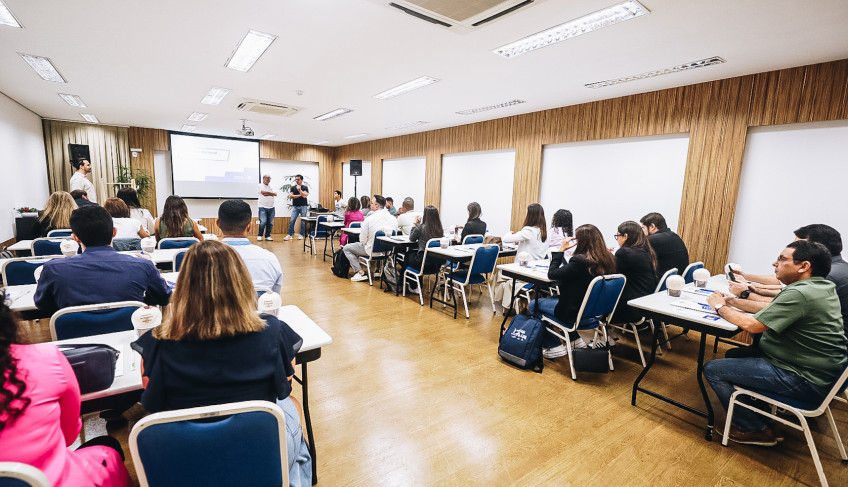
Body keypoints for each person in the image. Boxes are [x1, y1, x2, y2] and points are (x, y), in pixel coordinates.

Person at [132, 240, 311, 485]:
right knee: (292, 412)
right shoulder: (274, 332)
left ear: (184, 287)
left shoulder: (158, 343)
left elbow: (151, 404)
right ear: (242, 283)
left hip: (186, 455)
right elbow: (284, 387)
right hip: (256, 448)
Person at [704, 240, 847, 446]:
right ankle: (758, 412)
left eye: (782, 259)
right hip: (817, 371)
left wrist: (719, 306)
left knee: (713, 369)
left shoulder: (800, 293)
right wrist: (734, 302)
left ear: (804, 266)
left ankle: (754, 428)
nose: (774, 263)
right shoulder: (821, 287)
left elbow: (752, 325)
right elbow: (770, 311)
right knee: (735, 355)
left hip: (802, 378)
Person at [0, 296, 130, 487]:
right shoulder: (44, 359)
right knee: (108, 447)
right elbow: (69, 436)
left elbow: (43, 301)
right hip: (64, 481)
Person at [34, 205, 172, 315]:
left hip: (76, 344)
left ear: (76, 238)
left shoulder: (53, 269)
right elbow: (164, 297)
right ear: (114, 232)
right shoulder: (142, 265)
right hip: (130, 340)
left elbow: (42, 305)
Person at [729, 224, 848, 333]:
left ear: (817, 248)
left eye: (801, 245)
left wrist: (744, 294)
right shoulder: (839, 267)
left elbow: (782, 304)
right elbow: (783, 289)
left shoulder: (828, 276)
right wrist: (752, 285)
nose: (794, 247)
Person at [533, 224, 617, 358]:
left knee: (534, 304)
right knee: (555, 300)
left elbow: (552, 274)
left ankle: (553, 345)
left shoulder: (579, 261)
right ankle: (575, 340)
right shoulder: (609, 259)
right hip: (596, 314)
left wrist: (561, 250)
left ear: (582, 242)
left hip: (575, 313)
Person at [218, 199, 283, 293]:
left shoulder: (202, 259)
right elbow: (274, 297)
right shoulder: (270, 259)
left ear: (218, 224)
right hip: (257, 307)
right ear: (249, 226)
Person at [609, 221, 658, 325]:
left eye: (617, 235)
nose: (617, 239)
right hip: (645, 301)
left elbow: (612, 276)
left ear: (625, 236)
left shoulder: (624, 253)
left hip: (631, 307)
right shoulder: (647, 250)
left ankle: (606, 336)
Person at [344, 195, 398, 282]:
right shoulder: (394, 219)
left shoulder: (369, 219)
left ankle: (360, 272)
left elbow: (362, 240)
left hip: (371, 251)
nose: (370, 204)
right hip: (387, 252)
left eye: (371, 203)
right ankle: (378, 269)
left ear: (377, 206)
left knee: (347, 248)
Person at [406, 206, 447, 294]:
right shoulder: (440, 229)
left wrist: (415, 224)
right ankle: (413, 283)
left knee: (408, 255)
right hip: (436, 264)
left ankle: (411, 285)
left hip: (423, 263)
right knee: (412, 255)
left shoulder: (421, 227)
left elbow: (412, 238)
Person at [640, 212, 689, 277]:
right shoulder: (675, 236)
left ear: (652, 226)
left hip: (664, 283)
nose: (642, 232)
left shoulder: (652, 239)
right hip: (679, 281)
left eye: (643, 228)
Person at [284, 174, 309, 241]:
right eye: (296, 179)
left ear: (301, 180)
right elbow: (291, 196)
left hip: (303, 206)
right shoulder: (293, 187)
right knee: (292, 220)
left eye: (298, 179)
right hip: (295, 206)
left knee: (303, 221)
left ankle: (301, 234)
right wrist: (300, 194)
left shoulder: (305, 187)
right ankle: (289, 234)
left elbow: (304, 196)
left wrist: (300, 190)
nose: (296, 181)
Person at [258, 174, 277, 241]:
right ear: (263, 178)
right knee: (263, 222)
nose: (268, 179)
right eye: (267, 178)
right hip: (262, 206)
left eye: (269, 178)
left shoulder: (272, 186)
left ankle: (267, 236)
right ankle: (260, 235)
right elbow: (263, 193)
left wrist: (268, 193)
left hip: (271, 207)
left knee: (270, 223)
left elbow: (275, 194)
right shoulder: (259, 185)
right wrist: (271, 193)